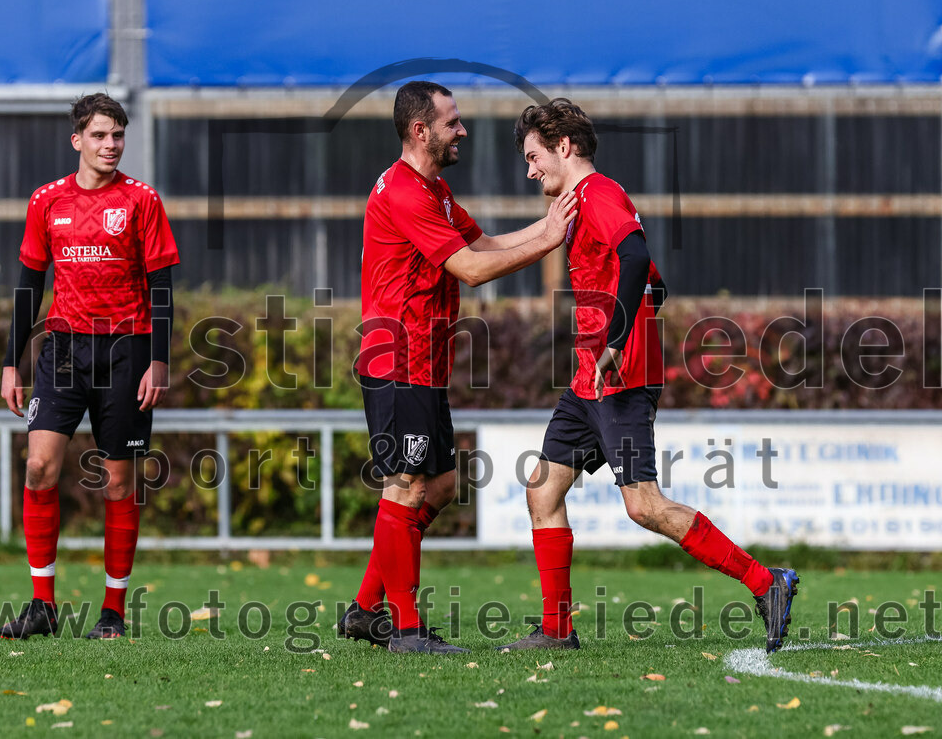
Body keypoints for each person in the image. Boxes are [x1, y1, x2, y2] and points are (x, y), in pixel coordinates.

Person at [497, 99, 798, 653]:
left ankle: (766, 582)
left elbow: (636, 258)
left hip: (620, 381)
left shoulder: (598, 193)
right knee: (543, 489)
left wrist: (617, 341)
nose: (530, 170)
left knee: (644, 506)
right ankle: (557, 630)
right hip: (590, 382)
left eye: (534, 156)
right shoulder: (584, 202)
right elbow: (654, 283)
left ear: (564, 146)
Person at [338, 81, 578, 654]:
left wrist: (551, 228)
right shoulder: (405, 192)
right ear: (420, 130)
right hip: (397, 360)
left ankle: (367, 609)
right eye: (452, 122)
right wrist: (549, 238)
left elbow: (484, 243)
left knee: (440, 486)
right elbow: (470, 269)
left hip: (423, 363)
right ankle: (404, 629)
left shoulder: (434, 190)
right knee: (406, 487)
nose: (462, 130)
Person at [0, 93, 179, 640]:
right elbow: (29, 286)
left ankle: (113, 611)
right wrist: (10, 364)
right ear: (77, 139)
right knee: (39, 467)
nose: (111, 145)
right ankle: (42, 605)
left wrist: (159, 360)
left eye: (118, 135)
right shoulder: (46, 200)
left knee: (118, 481)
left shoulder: (142, 200)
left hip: (127, 351)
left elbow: (162, 285)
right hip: (62, 351)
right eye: (100, 135)